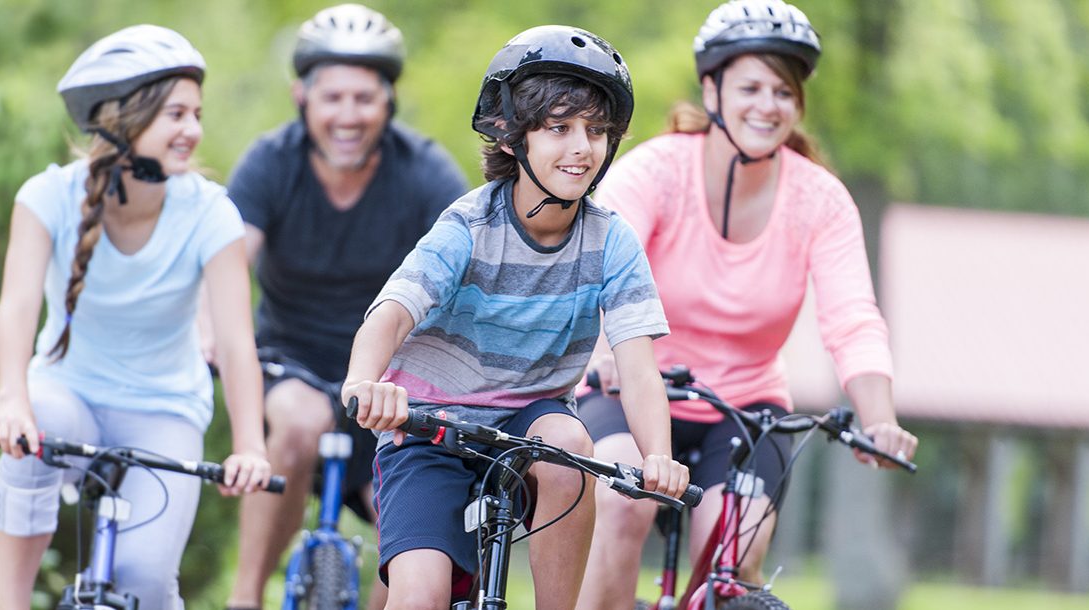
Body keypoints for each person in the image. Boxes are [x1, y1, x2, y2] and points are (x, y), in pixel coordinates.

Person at [575, 1, 921, 608]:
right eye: (751, 86)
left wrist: (880, 418)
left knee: (736, 554)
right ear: (712, 88)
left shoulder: (820, 199)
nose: (769, 104)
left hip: (745, 408)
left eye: (783, 92)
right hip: (629, 384)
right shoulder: (655, 172)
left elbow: (852, 318)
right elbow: (595, 276)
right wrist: (604, 355)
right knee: (622, 500)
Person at [339, 25, 692, 610]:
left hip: (531, 417)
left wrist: (658, 453)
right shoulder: (468, 226)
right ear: (509, 135)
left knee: (569, 443)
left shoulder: (611, 240)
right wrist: (364, 382)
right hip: (429, 426)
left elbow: (637, 366)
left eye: (597, 130)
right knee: (420, 593)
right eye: (559, 128)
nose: (583, 146)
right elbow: (394, 311)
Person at [0, 25, 271, 610]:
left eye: (196, 113)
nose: (193, 129)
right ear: (123, 119)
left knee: (142, 580)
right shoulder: (47, 198)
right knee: (32, 441)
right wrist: (12, 400)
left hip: (165, 411)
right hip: (70, 394)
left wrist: (250, 445)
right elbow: (15, 310)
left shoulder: (210, 213)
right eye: (175, 114)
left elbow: (237, 342)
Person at [217, 5, 469, 610]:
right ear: (301, 95)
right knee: (300, 425)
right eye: (333, 98)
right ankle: (245, 597)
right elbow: (227, 269)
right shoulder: (269, 163)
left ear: (389, 100)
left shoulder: (425, 172)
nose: (348, 116)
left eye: (364, 97)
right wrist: (208, 330)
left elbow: (471, 268)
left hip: (390, 383)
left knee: (419, 535)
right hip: (290, 363)